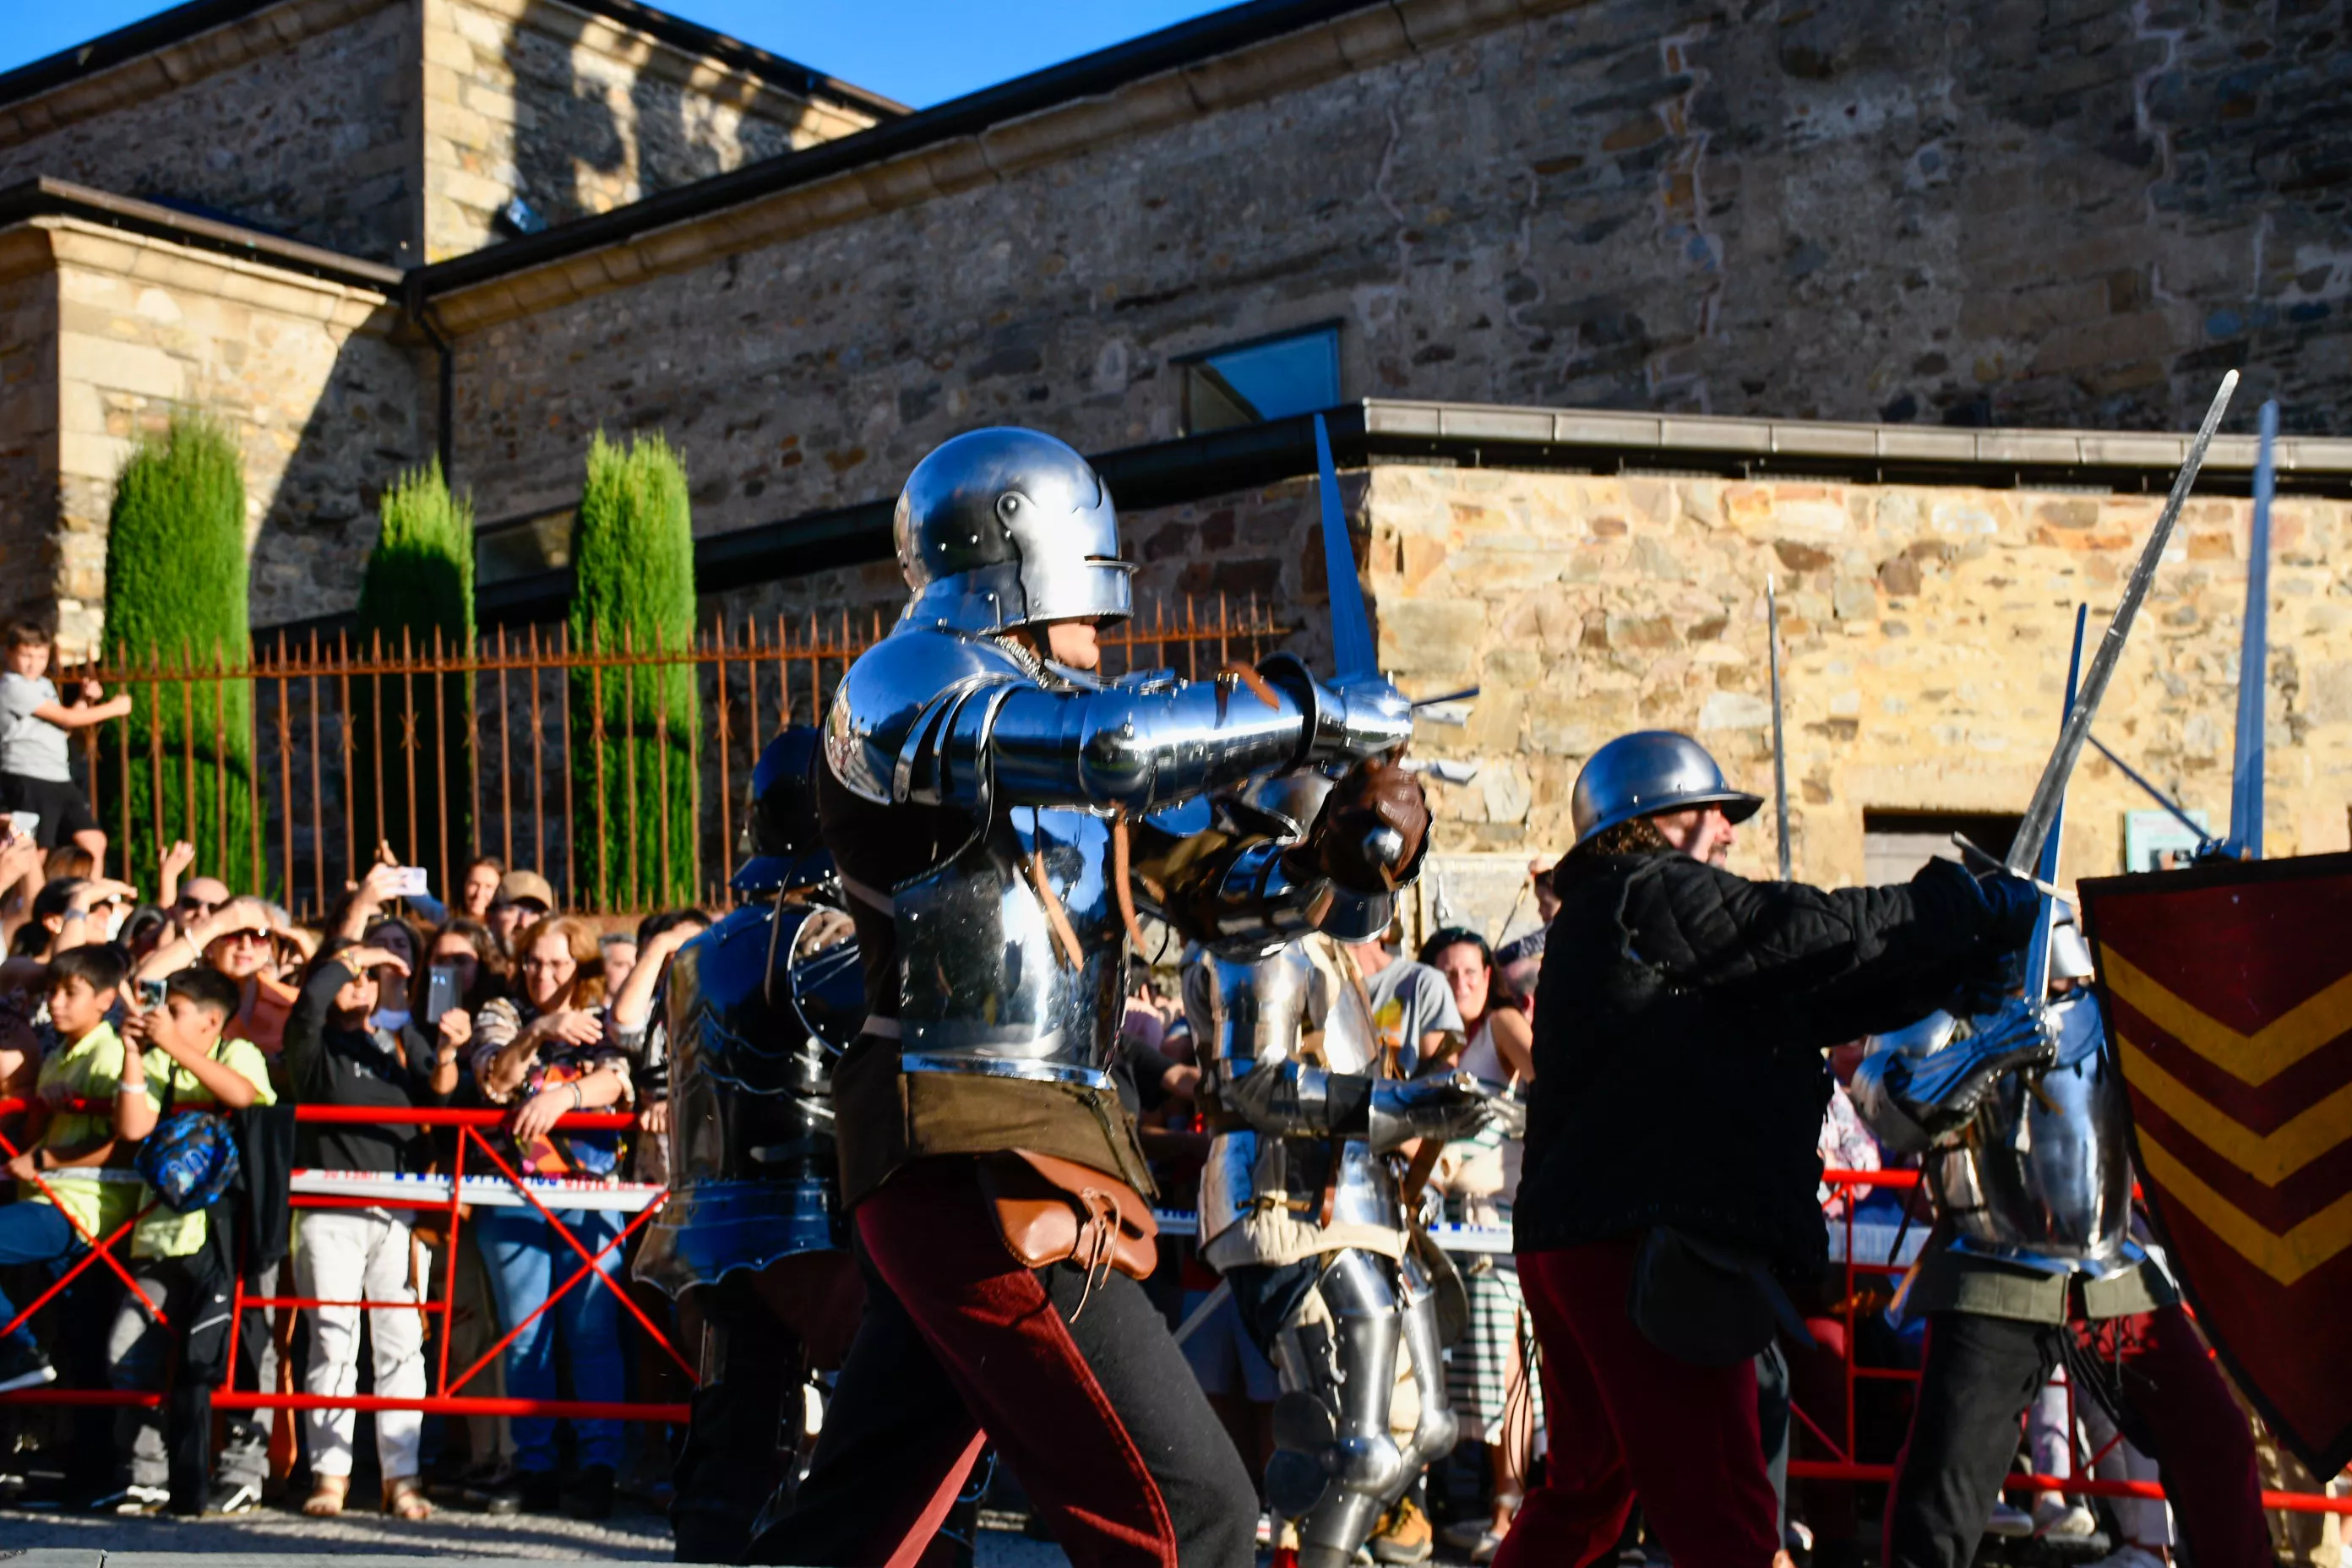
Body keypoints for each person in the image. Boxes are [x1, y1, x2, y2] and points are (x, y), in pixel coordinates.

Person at [749, 427, 1422, 1567]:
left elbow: (1228, 897)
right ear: (1026, 573)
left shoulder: (1050, 724)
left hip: (1019, 1144)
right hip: (973, 1140)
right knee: (1189, 1516)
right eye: (1093, 613)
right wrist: (1310, 710)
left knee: (849, 1531)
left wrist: (1350, 856)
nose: (1106, 642)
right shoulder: (909, 684)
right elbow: (1113, 747)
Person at [1498, 731, 2042, 1568]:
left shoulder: (1621, 916)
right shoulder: (1651, 892)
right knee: (1726, 1516)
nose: (1727, 828)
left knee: (1587, 1498)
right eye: (1712, 810)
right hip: (1640, 1239)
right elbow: (1801, 929)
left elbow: (1805, 994)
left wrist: (1948, 965)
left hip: (1589, 1236)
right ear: (1655, 818)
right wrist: (1959, 903)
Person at [1852, 912, 2268, 1568]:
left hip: (2110, 1270)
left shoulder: (2114, 1012)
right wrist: (1984, 1051)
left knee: (2215, 1438)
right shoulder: (1949, 1012)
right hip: (1991, 1274)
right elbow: (1881, 1103)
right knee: (1944, 1491)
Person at [1177, 773, 1490, 1568]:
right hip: (1281, 1202)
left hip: (1354, 1204)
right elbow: (1256, 1085)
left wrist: (1440, 1109)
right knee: (1352, 1446)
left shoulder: (1325, 949)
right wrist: (1413, 1106)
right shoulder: (1260, 937)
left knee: (1422, 1427)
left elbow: (1350, 1082)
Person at [635, 727, 867, 1563]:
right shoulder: (833, 942)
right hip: (817, 1226)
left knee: (729, 1443)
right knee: (872, 1438)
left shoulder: (696, 951)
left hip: (708, 1228)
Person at [278, 937, 463, 1518]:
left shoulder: (399, 1043)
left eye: (374, 975)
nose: (362, 982)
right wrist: (348, 959)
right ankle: (329, 1477)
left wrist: (448, 1050)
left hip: (399, 1212)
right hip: (328, 1208)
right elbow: (307, 1007)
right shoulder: (313, 1046)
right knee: (332, 1341)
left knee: (402, 1345)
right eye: (352, 974)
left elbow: (440, 1107)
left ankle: (401, 1478)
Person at [471, 912, 631, 1519]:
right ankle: (533, 1465)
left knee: (592, 1332)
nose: (544, 973)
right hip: (514, 1194)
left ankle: (598, 1465)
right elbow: (495, 1080)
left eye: (558, 962)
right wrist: (538, 1030)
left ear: (580, 964)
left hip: (591, 1194)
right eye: (534, 961)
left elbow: (619, 1081)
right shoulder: (502, 1012)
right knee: (524, 1331)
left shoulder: (604, 1014)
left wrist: (565, 1095)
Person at [107, 965, 276, 1515]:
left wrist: (175, 1047)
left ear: (210, 1021)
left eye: (173, 1011)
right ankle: (147, 1472)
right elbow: (133, 1128)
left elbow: (245, 1096)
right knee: (127, 1349)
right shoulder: (157, 1057)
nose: (160, 1020)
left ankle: (242, 1470)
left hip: (228, 1239)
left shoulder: (236, 1052)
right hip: (158, 1238)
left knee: (228, 1360)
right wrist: (136, 1052)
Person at [1416, 928, 1538, 1565]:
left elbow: (1546, 1080)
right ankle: (1441, 1506)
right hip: (1441, 1220)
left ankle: (1507, 1508)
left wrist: (1507, 1145)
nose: (1460, 982)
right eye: (1447, 972)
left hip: (1497, 1222)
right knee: (1440, 1358)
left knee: (1503, 1355)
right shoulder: (1431, 1040)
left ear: (1489, 977)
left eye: (1470, 971)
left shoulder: (1502, 1025)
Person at [0, 945, 141, 1396]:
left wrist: (46, 1160)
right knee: (80, 1343)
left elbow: (126, 1143)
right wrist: (44, 1111)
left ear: (105, 999)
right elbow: (37, 1136)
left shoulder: (111, 1052)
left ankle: (17, 1350)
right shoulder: (60, 1054)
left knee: (83, 1339)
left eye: (69, 992)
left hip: (82, 1210)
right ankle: (87, 1458)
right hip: (49, 1201)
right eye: (51, 992)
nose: (55, 1002)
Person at [0, 622, 129, 868]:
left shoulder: (44, 686)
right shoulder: (11, 687)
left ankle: (92, 900)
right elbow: (66, 717)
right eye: (26, 655)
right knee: (33, 851)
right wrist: (114, 708)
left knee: (94, 842)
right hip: (28, 776)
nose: (33, 663)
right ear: (10, 654)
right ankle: (27, 904)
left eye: (40, 656)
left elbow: (64, 727)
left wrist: (85, 699)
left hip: (58, 777)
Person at [486, 869, 553, 957]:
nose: (524, 923)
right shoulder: (470, 966)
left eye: (534, 912)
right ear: (490, 917)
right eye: (512, 910)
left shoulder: (566, 968)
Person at [458, 855, 504, 923]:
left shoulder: (503, 932)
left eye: (489, 887)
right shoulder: (445, 926)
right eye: (474, 884)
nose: (479, 894)